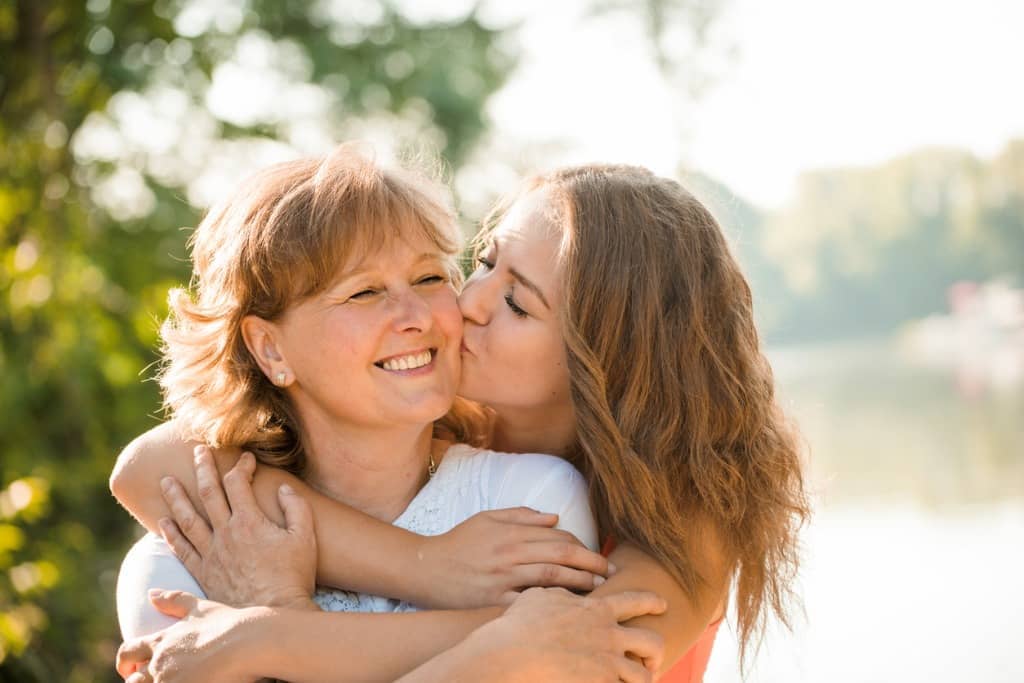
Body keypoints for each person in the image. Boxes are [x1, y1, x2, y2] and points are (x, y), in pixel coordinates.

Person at [112, 160, 809, 681]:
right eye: (483, 262)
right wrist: (430, 567)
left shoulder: (687, 516)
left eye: (518, 303)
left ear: (609, 362)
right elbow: (148, 467)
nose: (467, 301)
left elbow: (566, 652)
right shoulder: (438, 421)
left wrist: (272, 632)